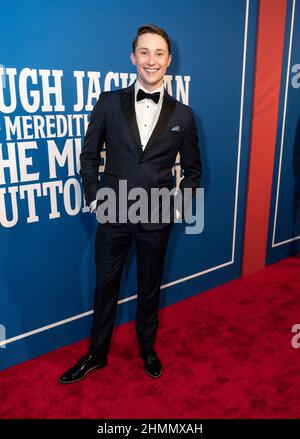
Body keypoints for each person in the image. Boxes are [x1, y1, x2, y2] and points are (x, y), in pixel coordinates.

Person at [59, 24, 202, 384]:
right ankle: (96, 353)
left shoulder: (183, 115)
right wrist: (95, 199)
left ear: (169, 60)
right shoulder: (108, 102)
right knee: (104, 286)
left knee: (150, 286)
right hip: (113, 213)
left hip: (156, 216)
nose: (150, 60)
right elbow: (88, 156)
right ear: (132, 57)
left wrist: (178, 204)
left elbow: (193, 170)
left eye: (158, 53)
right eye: (144, 52)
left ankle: (147, 348)